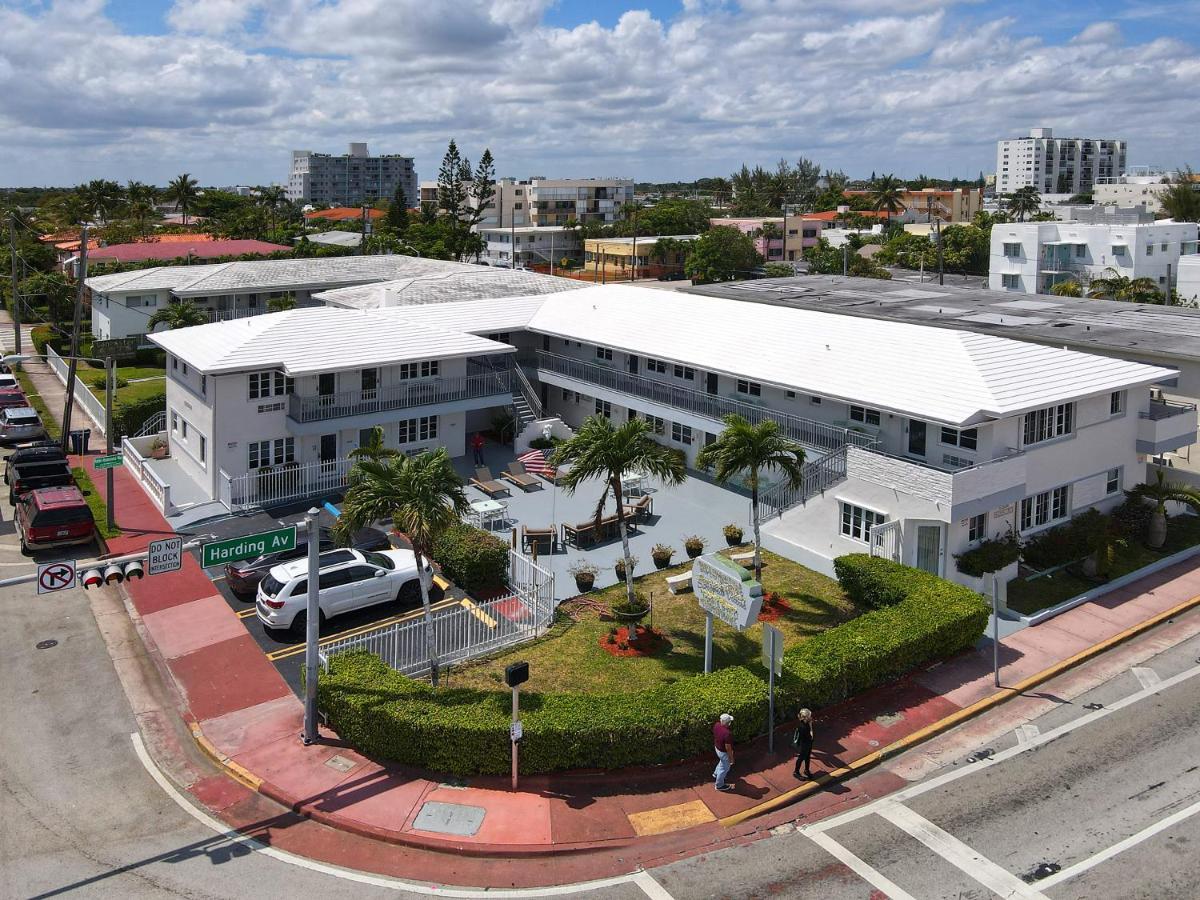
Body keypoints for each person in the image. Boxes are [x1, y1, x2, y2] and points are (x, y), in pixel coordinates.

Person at [713, 713, 735, 792]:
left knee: (722, 763)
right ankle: (719, 785)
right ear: (728, 723)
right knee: (725, 768)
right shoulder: (727, 734)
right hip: (723, 752)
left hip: (717, 748)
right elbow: (728, 748)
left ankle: (715, 774)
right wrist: (731, 758)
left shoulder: (716, 725)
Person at [792, 708, 814, 779]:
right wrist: (811, 727)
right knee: (801, 758)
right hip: (805, 744)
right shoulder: (803, 727)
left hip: (808, 743)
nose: (810, 717)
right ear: (805, 718)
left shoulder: (805, 723)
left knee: (807, 757)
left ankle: (806, 770)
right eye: (809, 716)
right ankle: (796, 772)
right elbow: (811, 736)